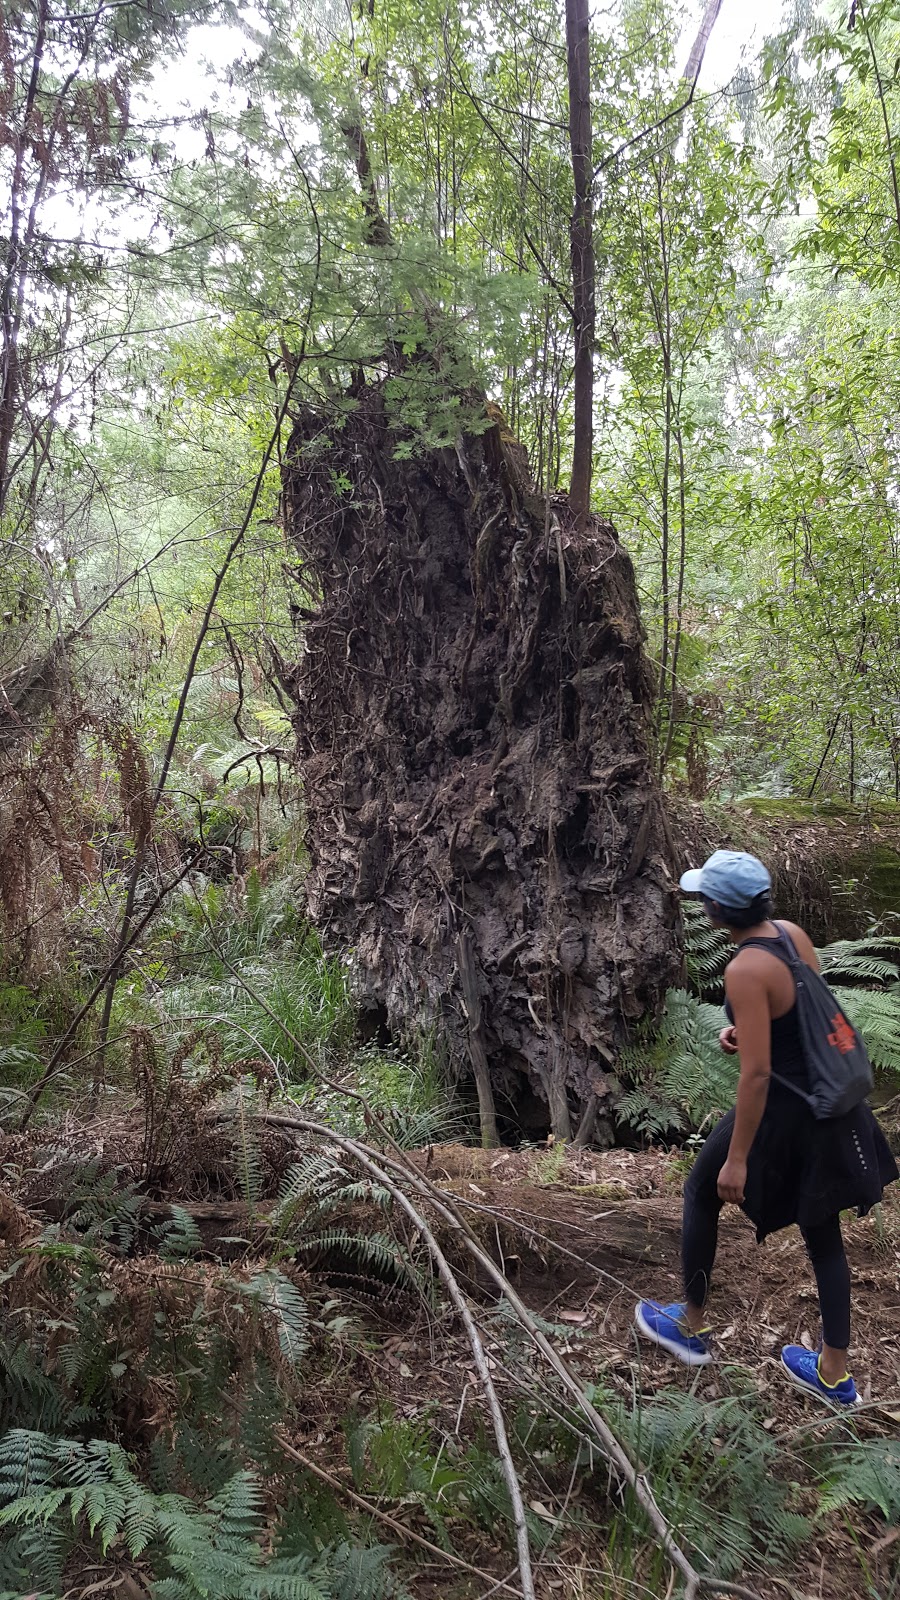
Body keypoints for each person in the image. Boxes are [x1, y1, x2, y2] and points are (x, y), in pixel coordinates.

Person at [635, 850, 898, 1406]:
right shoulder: (790, 934)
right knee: (823, 1235)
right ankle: (834, 1374)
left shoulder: (743, 969)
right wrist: (749, 1033)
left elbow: (755, 1078)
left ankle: (689, 1325)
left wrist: (738, 1159)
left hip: (789, 1112)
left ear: (714, 909)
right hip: (831, 1105)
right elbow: (803, 1012)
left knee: (701, 1191)